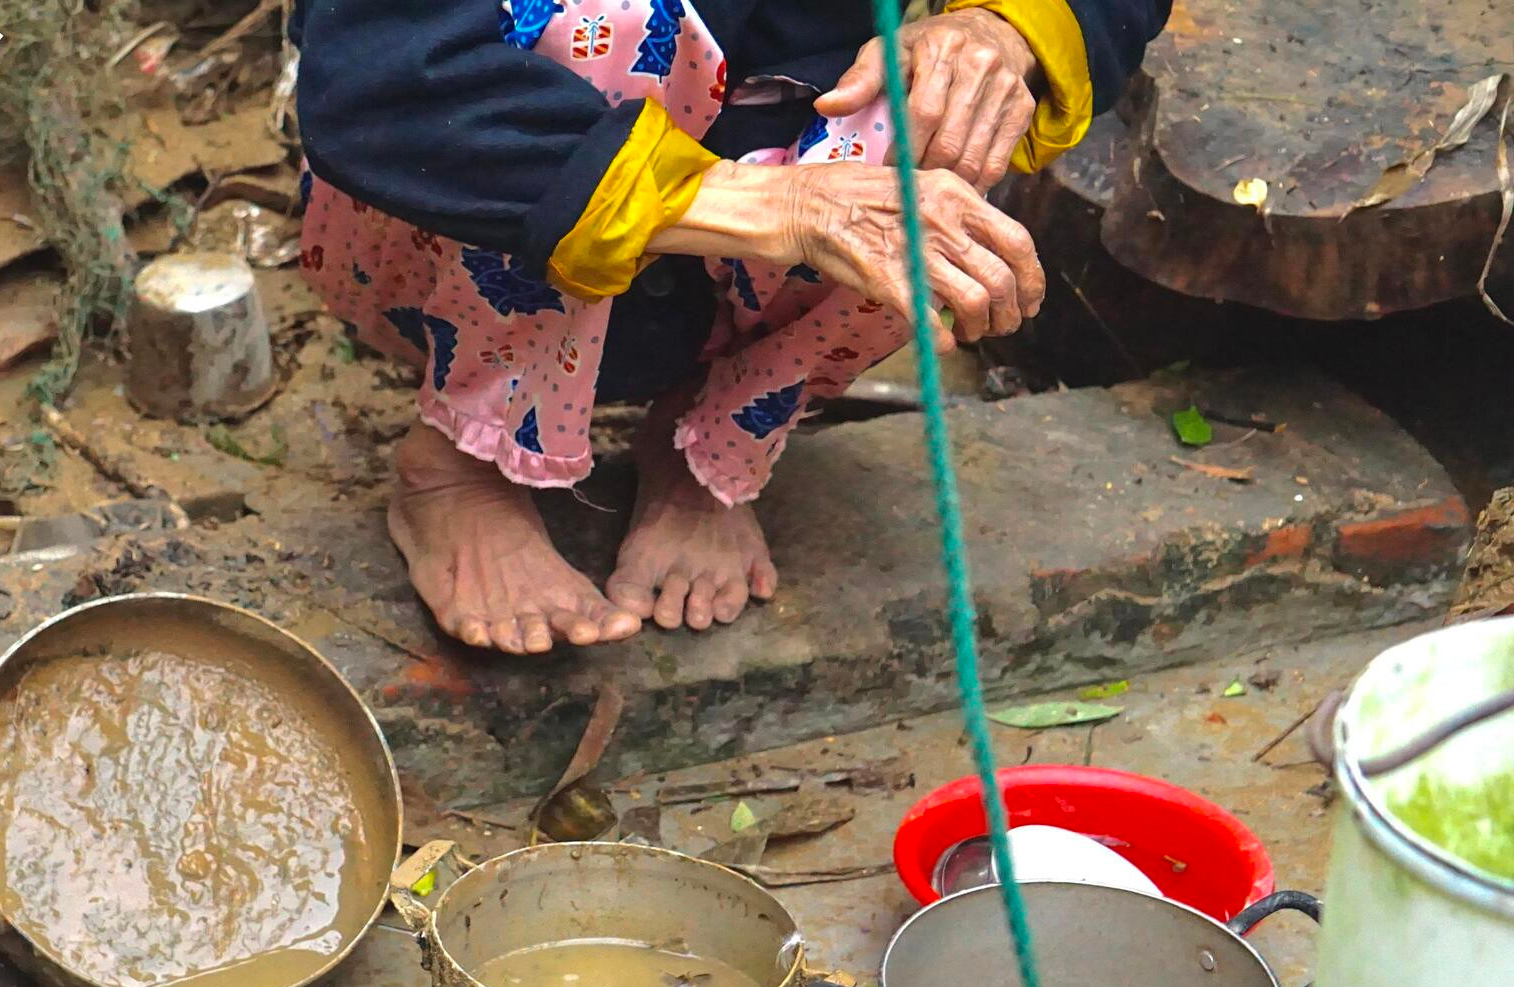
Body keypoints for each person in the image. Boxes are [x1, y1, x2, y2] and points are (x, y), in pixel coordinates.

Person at [293, 0, 1170, 654]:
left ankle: (705, 443)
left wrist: (998, 31)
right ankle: (465, 455)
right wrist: (764, 206)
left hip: (795, 109)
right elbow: (383, 73)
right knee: (588, 22)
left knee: (940, 105)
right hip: (499, 170)